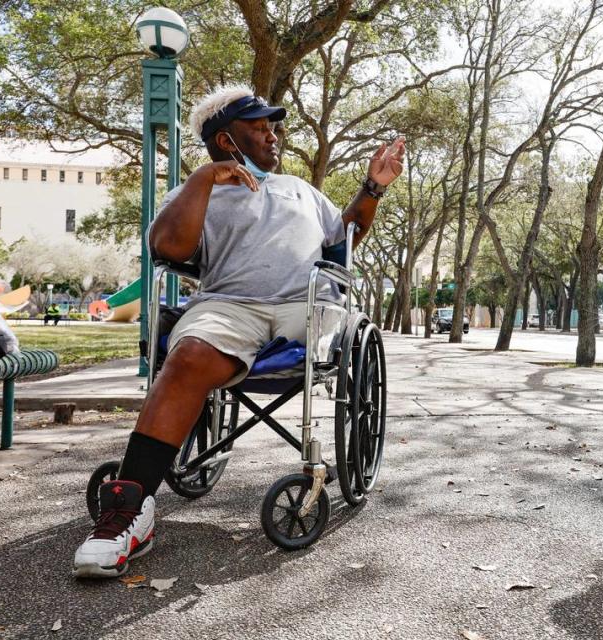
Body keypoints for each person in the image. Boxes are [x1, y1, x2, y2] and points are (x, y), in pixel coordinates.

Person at [72, 85, 405, 578]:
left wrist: (372, 188)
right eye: (261, 128)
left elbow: (343, 243)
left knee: (326, 309)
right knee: (184, 357)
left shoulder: (299, 189)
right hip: (230, 307)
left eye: (275, 128)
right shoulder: (193, 193)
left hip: (305, 307)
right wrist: (205, 179)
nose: (274, 136)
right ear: (227, 140)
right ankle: (130, 510)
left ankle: (134, 491)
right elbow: (166, 246)